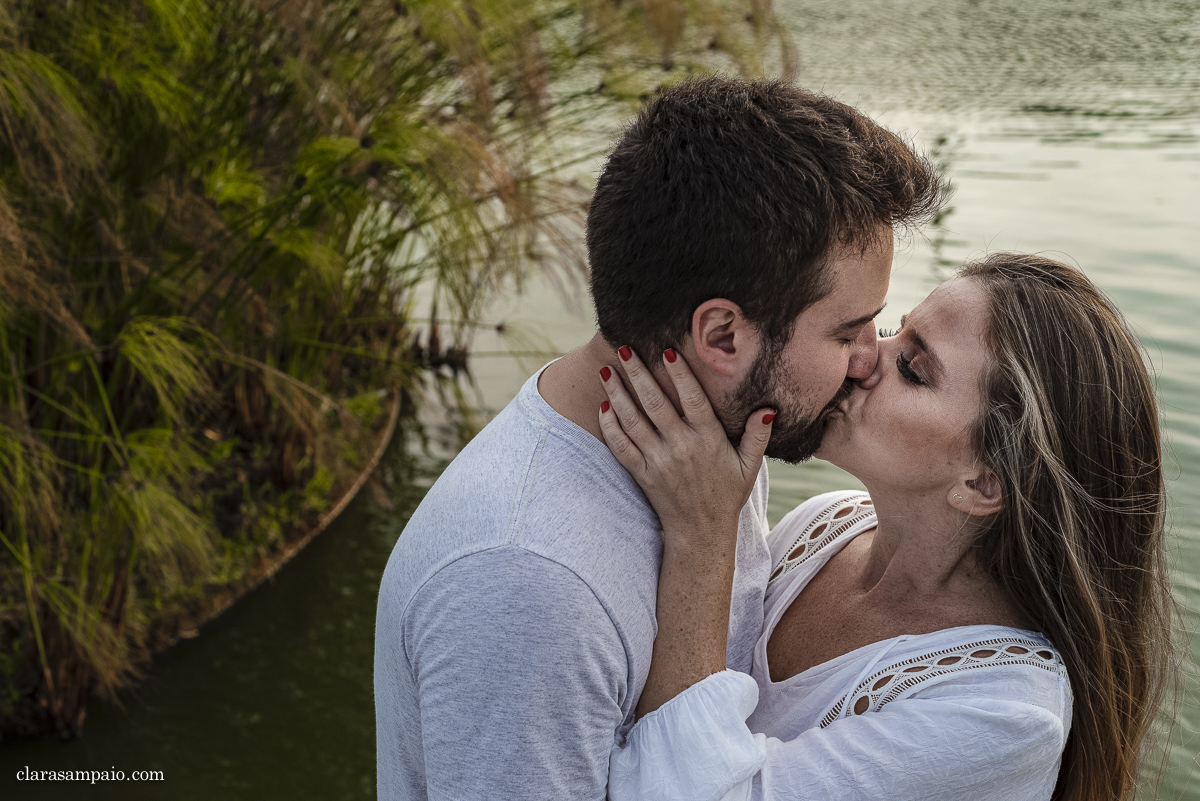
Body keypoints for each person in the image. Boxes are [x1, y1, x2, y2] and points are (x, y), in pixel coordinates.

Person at [373, 76, 945, 799]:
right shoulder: (528, 583)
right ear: (722, 335)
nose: (868, 356)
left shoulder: (716, 439)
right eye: (845, 329)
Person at [599, 254, 1173, 801]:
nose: (860, 356)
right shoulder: (822, 526)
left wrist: (702, 538)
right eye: (897, 329)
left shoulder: (1005, 712)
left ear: (983, 485)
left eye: (913, 368)